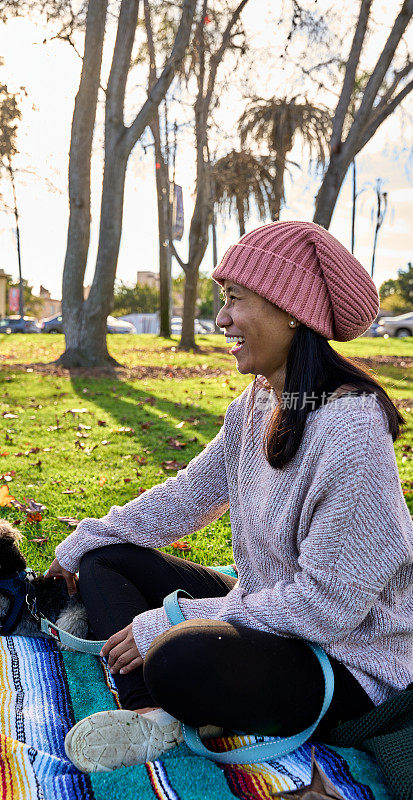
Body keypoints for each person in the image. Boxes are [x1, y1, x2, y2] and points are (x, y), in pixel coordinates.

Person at [46, 220, 413, 774]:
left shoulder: (352, 431)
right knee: (105, 561)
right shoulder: (258, 403)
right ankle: (152, 713)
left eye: (234, 299)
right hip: (266, 608)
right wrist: (82, 542)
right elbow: (188, 496)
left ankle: (166, 695)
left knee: (180, 655)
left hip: (348, 660)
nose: (221, 319)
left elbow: (326, 607)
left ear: (291, 310)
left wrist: (165, 623)